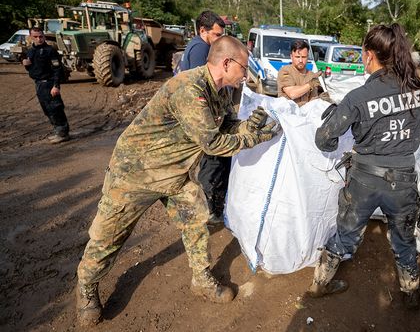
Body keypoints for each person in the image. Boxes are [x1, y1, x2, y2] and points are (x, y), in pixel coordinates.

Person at [76, 36, 278, 326]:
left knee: (196, 220)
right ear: (226, 63)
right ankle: (86, 286)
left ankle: (201, 280)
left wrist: (247, 125)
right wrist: (254, 138)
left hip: (174, 172)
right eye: (243, 68)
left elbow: (223, 125)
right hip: (137, 172)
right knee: (109, 236)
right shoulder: (189, 88)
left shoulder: (219, 90)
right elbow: (211, 142)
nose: (246, 75)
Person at [307, 24, 420, 308]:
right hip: (403, 182)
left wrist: (341, 134)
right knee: (404, 239)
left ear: (369, 55)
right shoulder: (417, 91)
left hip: (364, 181)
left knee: (346, 235)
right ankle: (411, 294)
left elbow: (324, 139)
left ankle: (319, 285)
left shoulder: (358, 97)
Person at [178, 11, 229, 224]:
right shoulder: (201, 49)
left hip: (195, 112)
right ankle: (208, 209)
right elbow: (203, 87)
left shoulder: (198, 45)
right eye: (216, 35)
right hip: (198, 114)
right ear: (203, 31)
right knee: (212, 160)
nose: (219, 40)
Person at [22, 27, 70, 143]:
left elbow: (57, 69)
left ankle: (63, 133)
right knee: (47, 110)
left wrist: (56, 86)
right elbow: (33, 69)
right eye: (36, 37)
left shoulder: (50, 50)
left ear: (44, 36)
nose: (39, 39)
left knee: (55, 108)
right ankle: (57, 130)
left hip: (49, 83)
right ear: (31, 37)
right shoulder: (31, 51)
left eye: (41, 36)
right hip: (39, 84)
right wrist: (26, 65)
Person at [277, 40, 326, 106]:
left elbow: (313, 102)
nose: (300, 60)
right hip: (287, 113)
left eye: (303, 57)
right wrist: (311, 84)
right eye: (297, 57)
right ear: (291, 56)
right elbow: (292, 94)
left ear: (307, 57)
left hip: (305, 114)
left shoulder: (311, 75)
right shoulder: (285, 71)